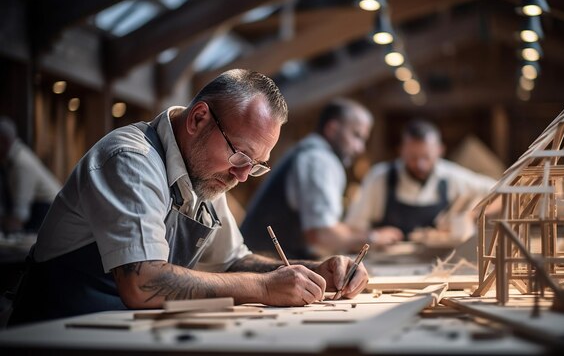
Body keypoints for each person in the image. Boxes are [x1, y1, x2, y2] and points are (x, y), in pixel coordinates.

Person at [8, 70, 368, 326]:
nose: (243, 175)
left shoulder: (207, 175)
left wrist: (311, 272)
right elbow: (142, 283)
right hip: (55, 337)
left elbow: (232, 261)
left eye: (256, 165)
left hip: (121, 335)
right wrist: (263, 287)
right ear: (198, 119)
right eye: (241, 156)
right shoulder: (131, 160)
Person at [241, 98, 376, 259]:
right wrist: (372, 238)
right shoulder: (318, 159)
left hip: (272, 260)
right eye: (356, 135)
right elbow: (321, 235)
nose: (360, 148)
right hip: (261, 262)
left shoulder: (312, 152)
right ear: (332, 129)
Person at [345, 118, 496, 245]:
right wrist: (374, 236)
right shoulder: (378, 178)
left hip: (436, 262)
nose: (420, 165)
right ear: (401, 150)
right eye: (412, 157)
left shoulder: (451, 177)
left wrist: (471, 216)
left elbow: (500, 191)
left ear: (439, 150)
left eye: (426, 157)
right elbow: (352, 228)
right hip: (388, 263)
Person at [0, 117, 61, 234]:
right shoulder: (8, 161)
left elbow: (19, 216)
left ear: (4, 141)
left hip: (48, 214)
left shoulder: (21, 163)